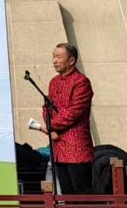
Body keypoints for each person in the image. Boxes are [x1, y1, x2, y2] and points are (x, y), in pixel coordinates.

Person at [39, 43, 94, 196]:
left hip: (76, 146)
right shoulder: (54, 82)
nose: (54, 61)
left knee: (82, 194)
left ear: (71, 60)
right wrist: (50, 127)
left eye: (58, 57)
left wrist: (51, 126)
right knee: (66, 193)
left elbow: (75, 111)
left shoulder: (81, 82)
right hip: (58, 146)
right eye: (53, 57)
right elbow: (47, 107)